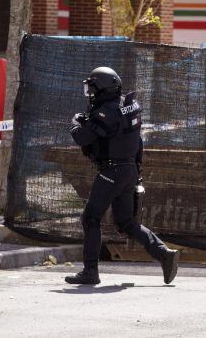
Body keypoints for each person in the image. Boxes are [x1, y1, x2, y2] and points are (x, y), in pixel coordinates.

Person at [66, 67, 179, 285]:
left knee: (90, 218)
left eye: (93, 87)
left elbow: (83, 137)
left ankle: (90, 271)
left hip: (112, 170)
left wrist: (76, 122)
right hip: (128, 169)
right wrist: (137, 172)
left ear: (103, 88)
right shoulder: (127, 106)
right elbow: (138, 142)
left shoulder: (107, 112)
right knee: (126, 222)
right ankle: (165, 254)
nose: (90, 92)